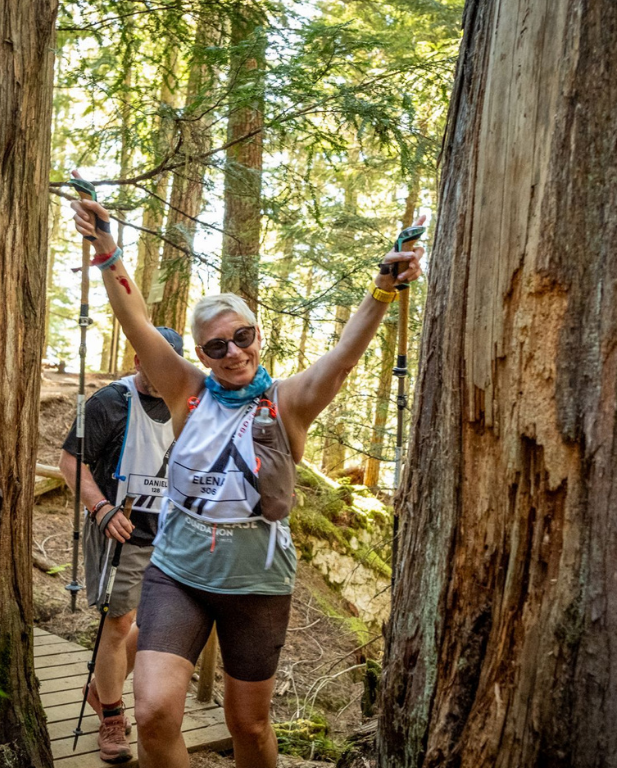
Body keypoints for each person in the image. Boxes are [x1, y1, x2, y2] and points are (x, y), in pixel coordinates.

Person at [70, 178, 425, 768]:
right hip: (178, 571)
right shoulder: (186, 391)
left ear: (257, 335)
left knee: (250, 727)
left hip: (257, 583)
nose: (233, 352)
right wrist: (108, 248)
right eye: (216, 347)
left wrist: (383, 290)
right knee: (155, 715)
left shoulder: (287, 402)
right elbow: (134, 318)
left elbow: (342, 358)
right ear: (201, 356)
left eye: (243, 337)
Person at [59, 326, 185, 764]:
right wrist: (100, 508)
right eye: (150, 361)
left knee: (159, 622)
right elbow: (70, 461)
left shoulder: (188, 402)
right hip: (122, 527)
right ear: (136, 359)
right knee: (119, 622)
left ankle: (99, 687)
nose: (158, 373)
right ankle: (112, 717)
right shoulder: (109, 401)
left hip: (172, 533)